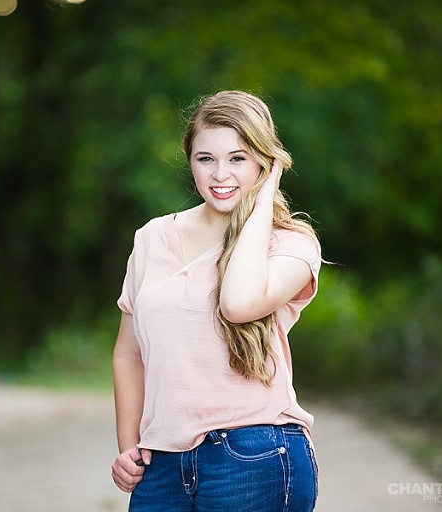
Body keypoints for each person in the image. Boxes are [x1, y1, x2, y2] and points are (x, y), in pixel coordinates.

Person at [111, 90, 322, 512]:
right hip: (162, 467)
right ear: (190, 161)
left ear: (266, 162)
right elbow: (128, 355)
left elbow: (239, 304)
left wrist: (262, 203)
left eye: (239, 158)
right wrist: (130, 447)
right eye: (206, 158)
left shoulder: (291, 244)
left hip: (254, 455)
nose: (220, 174)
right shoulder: (152, 237)